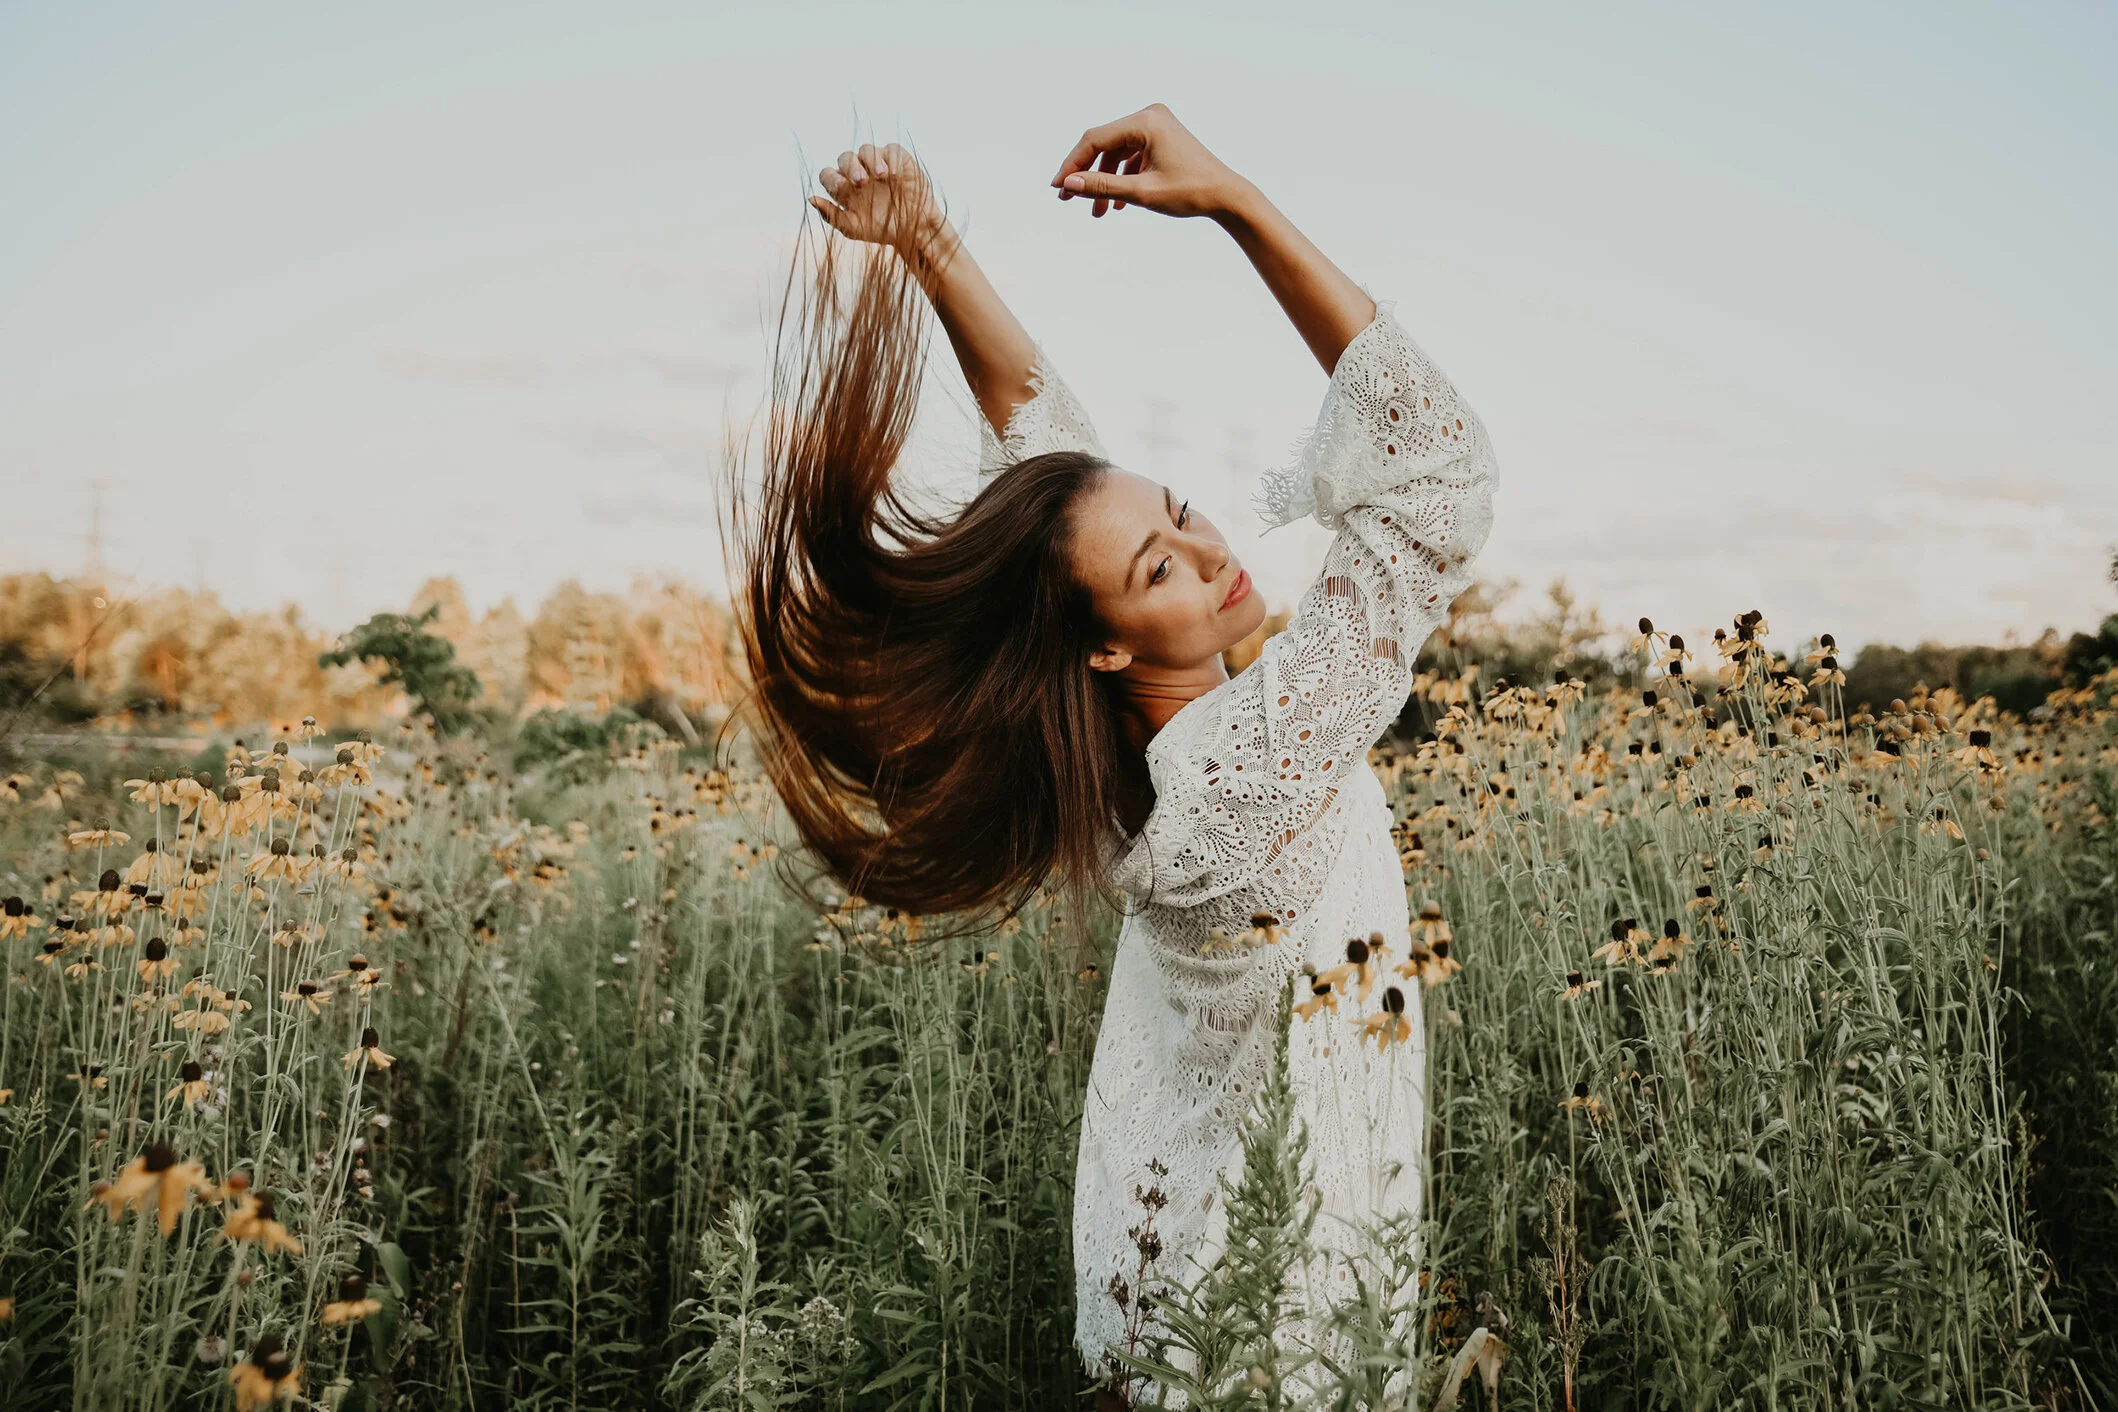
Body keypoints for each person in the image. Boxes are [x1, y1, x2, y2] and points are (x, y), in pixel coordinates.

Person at [736, 103, 1499, 1403]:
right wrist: (1236, 203)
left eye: (1185, 513)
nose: (1213, 556)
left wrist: (927, 245)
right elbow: (1434, 473)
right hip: (1274, 1320)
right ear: (1099, 644)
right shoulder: (1247, 765)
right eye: (1161, 568)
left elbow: (1049, 447)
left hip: (1163, 1282)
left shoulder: (1108, 759)